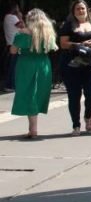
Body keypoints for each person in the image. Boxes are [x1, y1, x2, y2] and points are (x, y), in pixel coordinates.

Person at [12, 9, 58, 138]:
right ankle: (33, 128)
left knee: (28, 93)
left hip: (26, 65)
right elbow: (53, 48)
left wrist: (22, 35)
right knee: (38, 94)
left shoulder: (22, 35)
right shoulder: (49, 34)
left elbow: (13, 51)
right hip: (43, 65)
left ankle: (33, 129)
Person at [58, 0, 91, 135]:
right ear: (73, 11)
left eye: (83, 8)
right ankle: (76, 125)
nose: (81, 11)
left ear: (87, 10)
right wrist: (79, 44)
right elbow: (63, 44)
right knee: (74, 96)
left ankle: (88, 117)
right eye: (78, 9)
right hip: (72, 65)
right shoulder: (68, 25)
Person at [2, 2, 22, 92]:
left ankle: (9, 84)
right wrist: (20, 17)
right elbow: (22, 26)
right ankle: (11, 85)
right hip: (15, 44)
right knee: (14, 66)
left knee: (12, 65)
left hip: (10, 43)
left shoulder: (6, 17)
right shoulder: (13, 17)